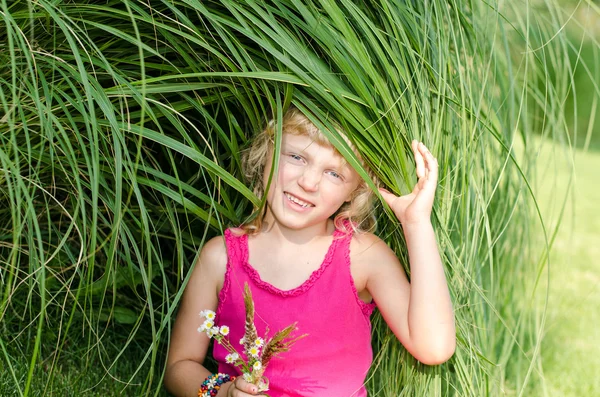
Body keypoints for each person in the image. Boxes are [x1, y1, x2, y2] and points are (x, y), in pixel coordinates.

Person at [164, 107, 455, 397]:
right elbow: (180, 366)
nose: (308, 182)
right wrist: (223, 393)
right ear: (267, 151)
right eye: (296, 157)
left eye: (334, 174)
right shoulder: (220, 258)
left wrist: (415, 223)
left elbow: (434, 346)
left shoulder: (362, 257)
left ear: (355, 191)